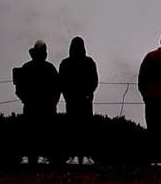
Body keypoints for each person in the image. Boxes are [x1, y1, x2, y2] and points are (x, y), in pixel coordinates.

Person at [14, 40, 61, 164]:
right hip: (41, 107)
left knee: (32, 132)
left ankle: (32, 156)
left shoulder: (27, 67)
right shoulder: (49, 68)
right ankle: (37, 156)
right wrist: (51, 103)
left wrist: (26, 100)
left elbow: (19, 89)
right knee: (39, 132)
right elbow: (57, 89)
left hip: (35, 107)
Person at [58, 36, 98, 165]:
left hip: (73, 100)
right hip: (84, 100)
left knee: (73, 128)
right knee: (85, 128)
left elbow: (62, 82)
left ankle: (74, 155)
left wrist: (67, 96)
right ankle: (85, 155)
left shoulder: (65, 63)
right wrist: (88, 94)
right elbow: (94, 81)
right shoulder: (89, 62)